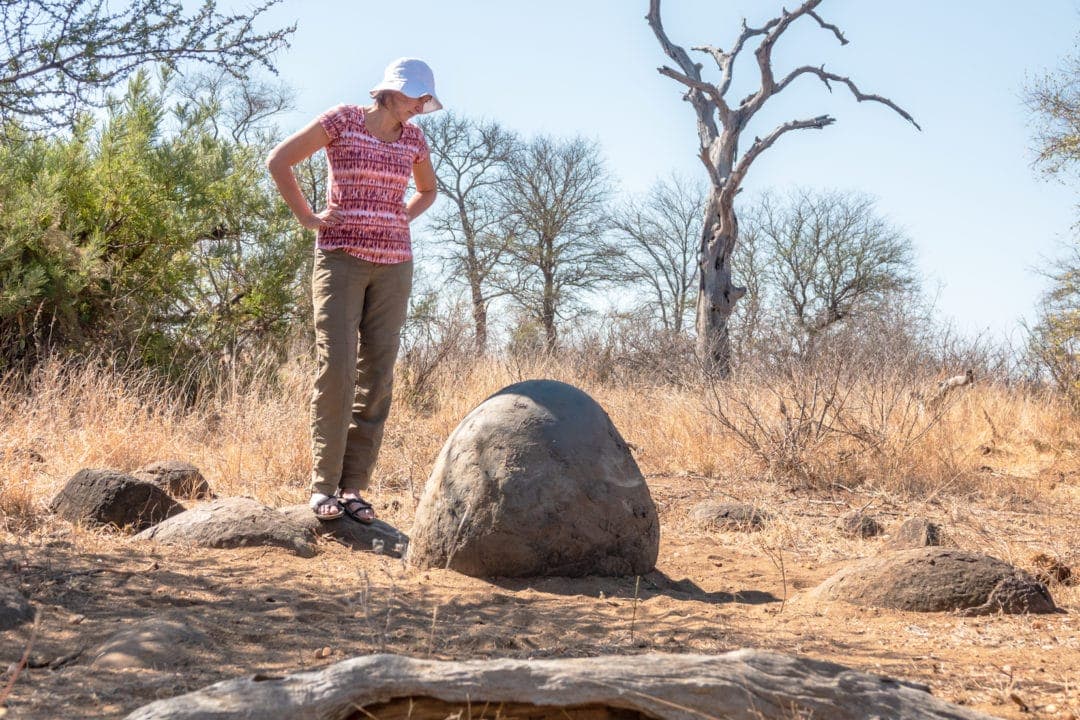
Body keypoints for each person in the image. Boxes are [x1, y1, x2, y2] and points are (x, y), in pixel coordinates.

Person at [266, 58, 441, 521]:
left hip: (395, 266)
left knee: (378, 375)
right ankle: (322, 487)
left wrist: (398, 216)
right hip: (341, 258)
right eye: (414, 98)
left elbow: (428, 191)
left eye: (424, 100)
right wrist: (308, 217)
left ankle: (353, 488)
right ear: (389, 92)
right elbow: (279, 160)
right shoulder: (342, 120)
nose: (420, 108)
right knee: (338, 368)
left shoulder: (415, 139)